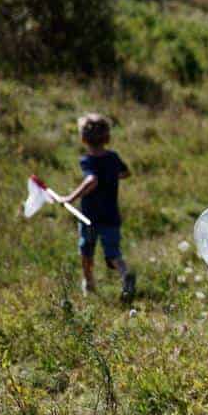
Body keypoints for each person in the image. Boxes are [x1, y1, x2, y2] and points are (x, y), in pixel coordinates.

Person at [60, 114, 135, 299]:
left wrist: (70, 197)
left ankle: (89, 284)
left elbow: (92, 180)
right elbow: (125, 173)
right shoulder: (113, 157)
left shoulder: (88, 161)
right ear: (107, 138)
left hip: (90, 217)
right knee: (112, 254)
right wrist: (111, 176)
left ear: (83, 139)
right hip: (111, 215)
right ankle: (125, 273)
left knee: (87, 251)